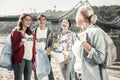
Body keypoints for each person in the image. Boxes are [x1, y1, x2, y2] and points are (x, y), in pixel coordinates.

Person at [74, 6, 109, 80]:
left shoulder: (96, 32)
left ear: (83, 17)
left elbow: (100, 59)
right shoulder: (80, 34)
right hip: (77, 75)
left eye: (77, 15)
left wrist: (84, 42)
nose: (75, 17)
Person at [11, 13, 36, 80]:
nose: (28, 22)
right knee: (18, 78)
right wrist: (21, 42)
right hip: (20, 59)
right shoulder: (16, 32)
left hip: (29, 59)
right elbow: (14, 47)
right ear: (21, 20)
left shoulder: (32, 33)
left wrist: (34, 60)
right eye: (26, 20)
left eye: (30, 20)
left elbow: (33, 48)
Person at [34, 14, 54, 80]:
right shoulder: (34, 31)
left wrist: (48, 53)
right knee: (36, 71)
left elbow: (51, 44)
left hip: (46, 54)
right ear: (38, 21)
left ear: (46, 21)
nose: (42, 21)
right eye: (40, 20)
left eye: (43, 19)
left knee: (49, 71)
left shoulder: (49, 32)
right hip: (36, 55)